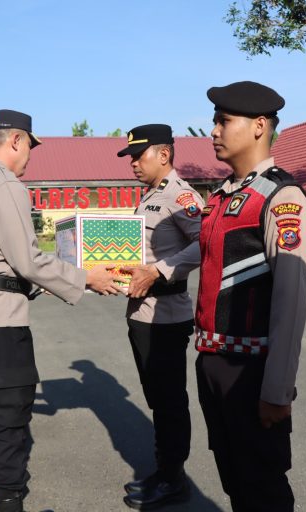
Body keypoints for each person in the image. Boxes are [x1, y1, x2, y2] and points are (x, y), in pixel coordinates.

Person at [0, 109, 122, 512]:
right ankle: (9, 502)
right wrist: (85, 278)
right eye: (29, 146)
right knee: (7, 421)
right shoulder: (4, 184)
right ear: (15, 140)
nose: (30, 156)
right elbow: (26, 260)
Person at [195, 82, 306, 512]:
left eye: (224, 121)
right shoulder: (223, 196)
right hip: (213, 361)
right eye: (215, 121)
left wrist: (277, 388)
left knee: (263, 487)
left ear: (259, 126)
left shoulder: (281, 197)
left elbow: (290, 301)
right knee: (235, 480)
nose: (214, 131)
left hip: (251, 370)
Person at [115, 124, 203, 510]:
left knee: (169, 402)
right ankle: (164, 468)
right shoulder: (150, 196)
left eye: (139, 155)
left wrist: (158, 270)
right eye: (131, 157)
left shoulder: (180, 196)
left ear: (164, 154)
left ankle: (173, 480)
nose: (133, 163)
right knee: (157, 399)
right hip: (142, 312)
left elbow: (205, 243)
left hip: (166, 316)